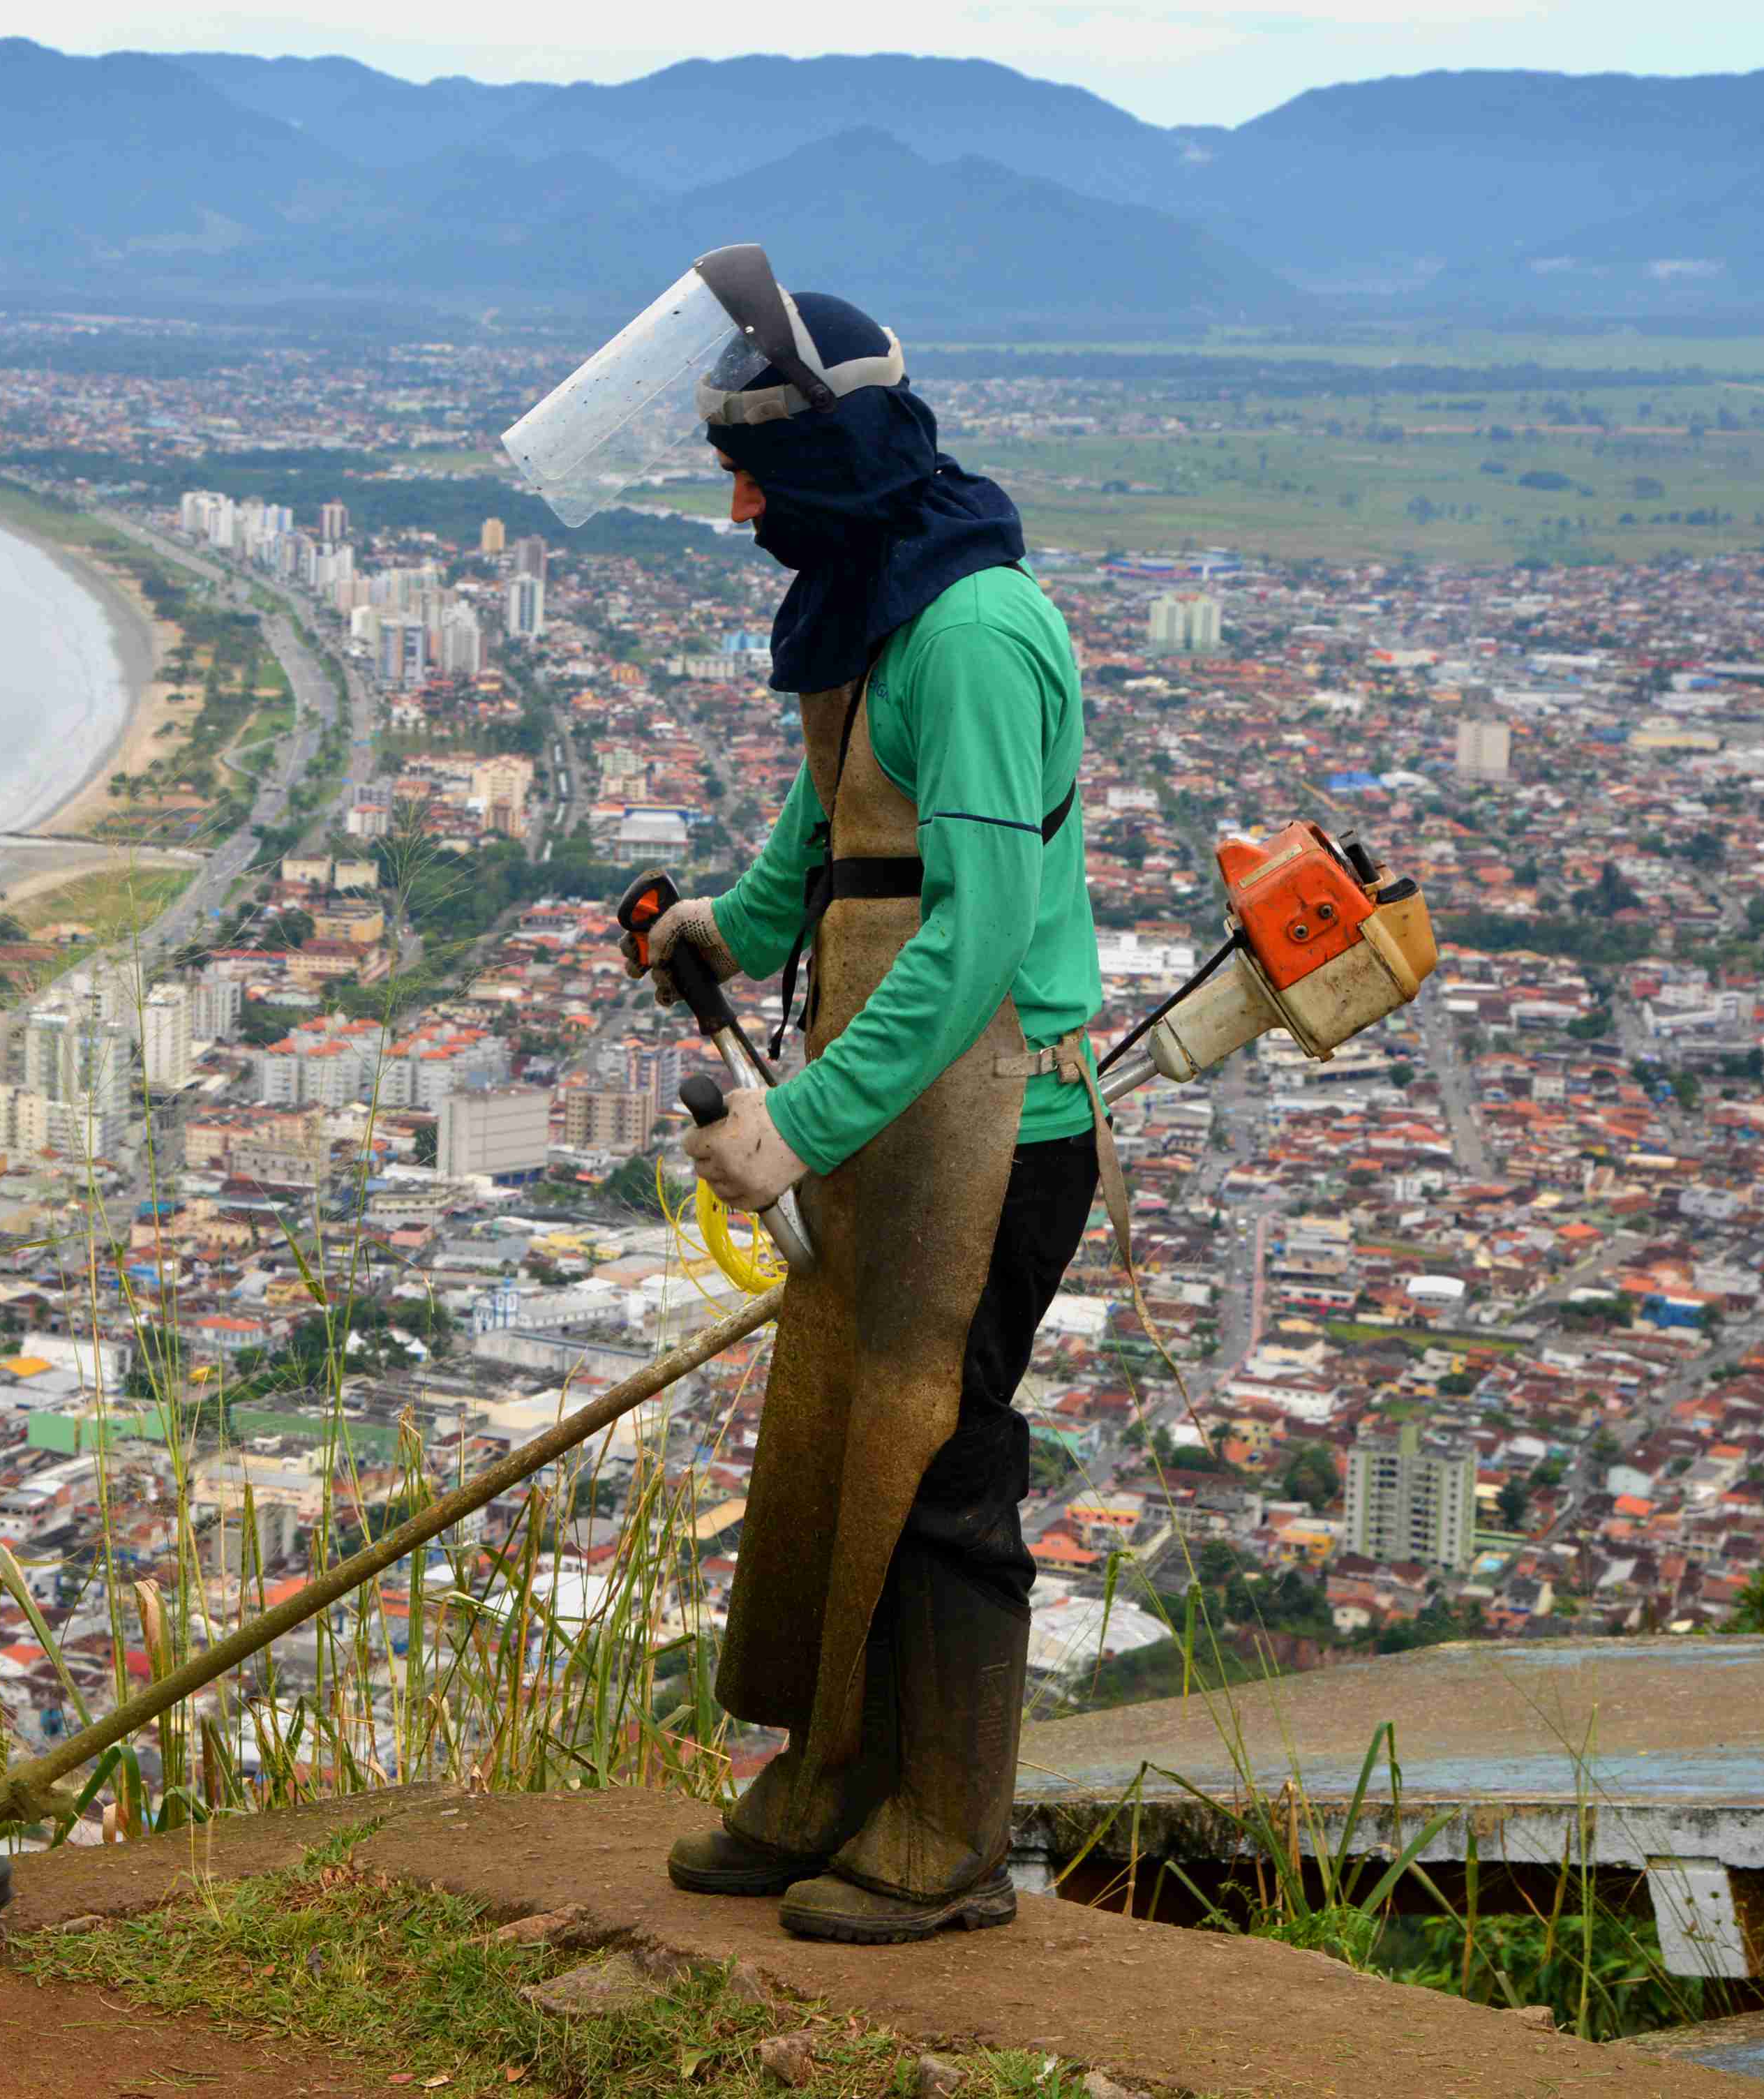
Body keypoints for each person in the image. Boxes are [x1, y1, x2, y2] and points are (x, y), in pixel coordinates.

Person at [622, 282, 1104, 1943]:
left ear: (829, 457)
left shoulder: (969, 631)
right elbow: (821, 848)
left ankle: (952, 1827)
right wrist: (720, 936)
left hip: (998, 1126)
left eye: (759, 471)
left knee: (940, 1457)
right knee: (837, 1446)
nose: (741, 507)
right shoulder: (872, 608)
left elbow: (972, 931)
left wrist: (798, 1122)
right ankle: (838, 1773)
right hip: (891, 1115)